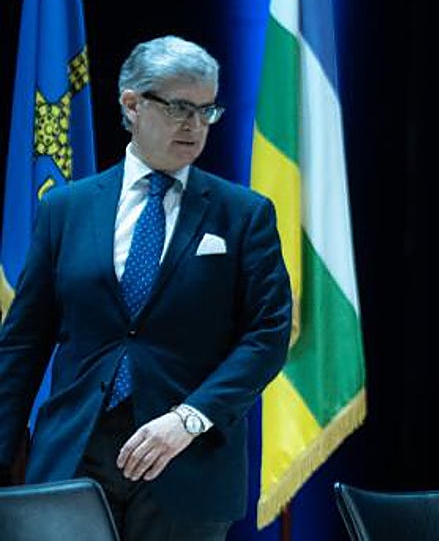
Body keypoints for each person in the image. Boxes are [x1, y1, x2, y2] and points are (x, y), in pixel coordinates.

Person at [0, 36, 292, 540]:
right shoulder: (66, 210)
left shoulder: (244, 215)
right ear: (131, 104)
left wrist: (192, 417)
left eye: (207, 111)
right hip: (75, 455)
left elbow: (267, 335)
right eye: (179, 107)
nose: (194, 125)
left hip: (187, 458)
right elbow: (23, 344)